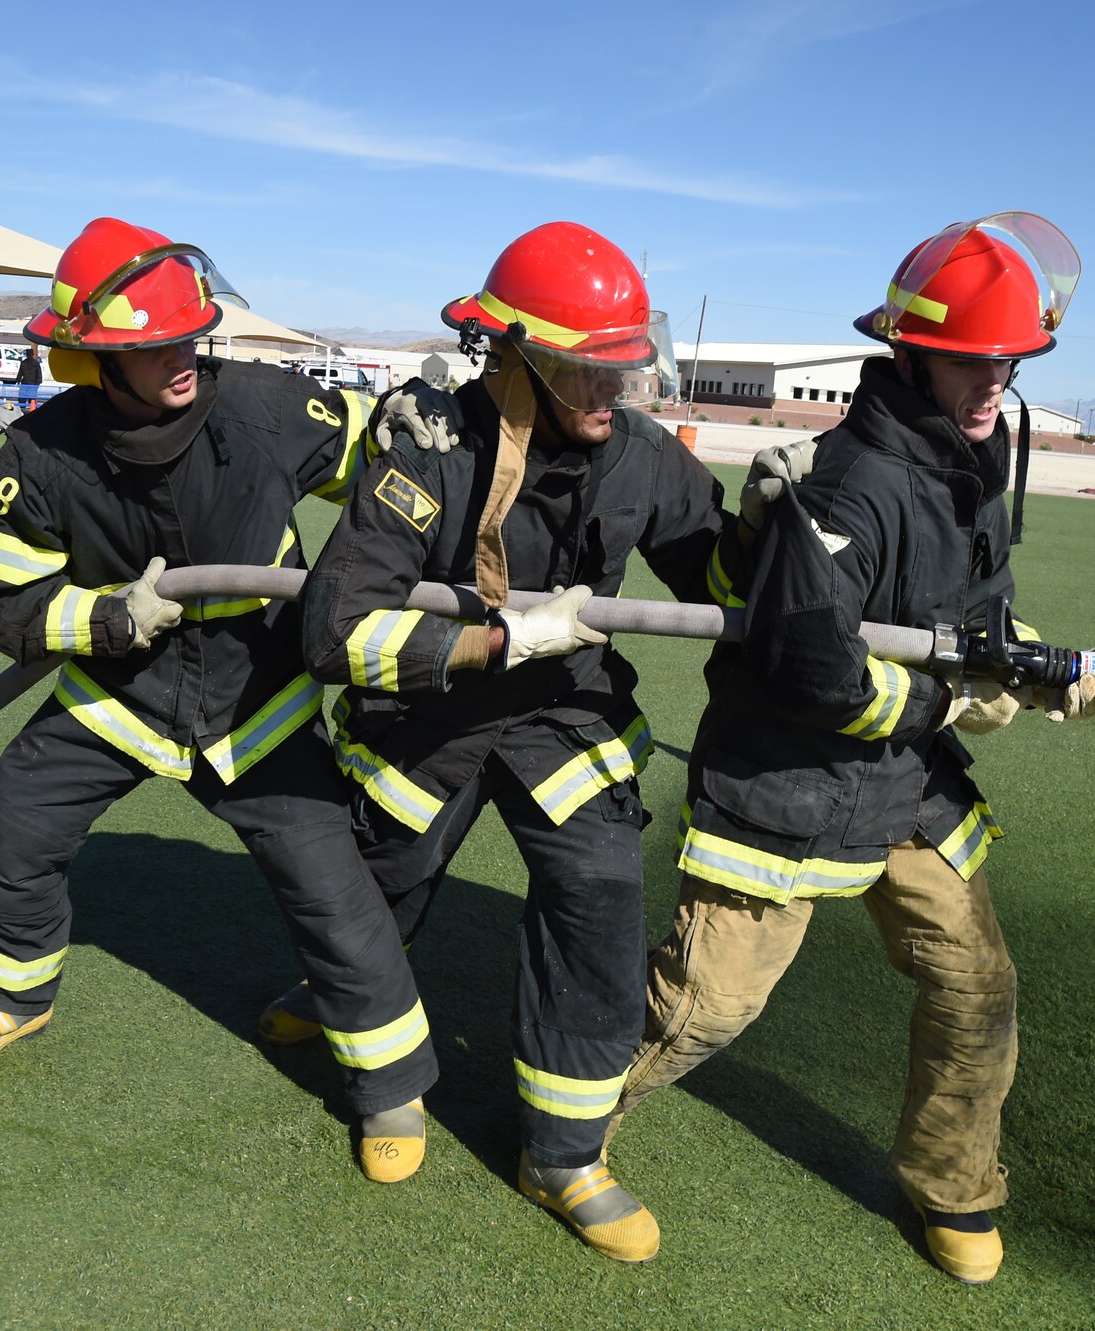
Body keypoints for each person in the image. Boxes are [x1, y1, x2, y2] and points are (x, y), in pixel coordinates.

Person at [608, 215, 1095, 1287]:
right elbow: (811, 671)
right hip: (787, 782)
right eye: (971, 362)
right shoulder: (845, 486)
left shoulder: (972, 460)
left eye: (1008, 364)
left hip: (900, 790)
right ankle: (567, 1122)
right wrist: (948, 704)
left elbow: (969, 616)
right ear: (912, 353)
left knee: (975, 986)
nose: (991, 385)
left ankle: (952, 1183)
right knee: (704, 1007)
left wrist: (1041, 670)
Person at [0, 216, 459, 1183]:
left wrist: (416, 434)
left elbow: (382, 475)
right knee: (14, 825)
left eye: (188, 337)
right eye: (151, 347)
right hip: (120, 696)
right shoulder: (39, 456)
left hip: (261, 700)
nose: (181, 359)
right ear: (94, 358)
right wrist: (104, 622)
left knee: (331, 892)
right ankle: (12, 993)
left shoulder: (264, 408)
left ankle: (390, 1085)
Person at [276, 221, 746, 1264]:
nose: (609, 391)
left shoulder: (641, 455)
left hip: (561, 713)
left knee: (598, 896)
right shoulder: (426, 445)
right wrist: (491, 639)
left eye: (621, 367)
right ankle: (375, 1069)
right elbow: (331, 631)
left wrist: (766, 534)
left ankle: (564, 1156)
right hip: (428, 713)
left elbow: (717, 578)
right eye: (585, 368)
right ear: (515, 353)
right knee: (379, 882)